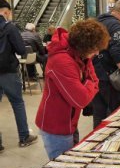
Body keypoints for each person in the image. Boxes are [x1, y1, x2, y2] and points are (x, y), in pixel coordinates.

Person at [35, 20, 108, 160]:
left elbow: (95, 80)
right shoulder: (61, 61)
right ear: (85, 46)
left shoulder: (80, 55)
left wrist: (87, 84)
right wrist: (89, 84)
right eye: (95, 49)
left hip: (70, 121)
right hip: (56, 126)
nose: (97, 52)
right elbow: (81, 99)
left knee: (71, 161)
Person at [0, 0, 37, 148]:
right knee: (17, 102)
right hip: (8, 71)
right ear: (6, 12)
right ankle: (24, 137)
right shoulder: (10, 28)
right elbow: (21, 50)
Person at [92, 0, 120, 127]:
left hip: (94, 74)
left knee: (99, 113)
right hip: (108, 78)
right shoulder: (116, 26)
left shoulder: (98, 21)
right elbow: (117, 53)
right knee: (113, 114)